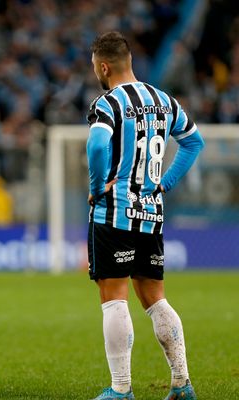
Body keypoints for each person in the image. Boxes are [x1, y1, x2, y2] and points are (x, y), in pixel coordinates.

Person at [85, 31, 204, 400]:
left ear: (103, 66)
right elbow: (192, 142)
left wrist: (98, 182)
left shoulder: (108, 103)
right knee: (155, 297)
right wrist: (165, 183)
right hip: (151, 213)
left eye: (94, 67)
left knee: (114, 297)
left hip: (115, 213)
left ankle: (121, 389)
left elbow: (97, 143)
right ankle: (182, 383)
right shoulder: (164, 100)